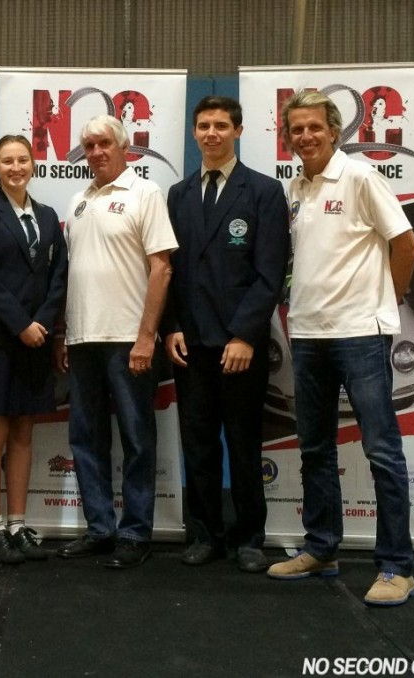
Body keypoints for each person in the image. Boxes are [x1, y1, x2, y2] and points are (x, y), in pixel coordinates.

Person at [266, 90, 414, 607]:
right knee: (314, 447)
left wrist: (389, 301)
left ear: (335, 131)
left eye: (314, 127)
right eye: (296, 130)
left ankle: (397, 567)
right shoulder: (296, 186)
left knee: (381, 450)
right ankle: (322, 548)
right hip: (308, 335)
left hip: (359, 333)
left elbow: (408, 243)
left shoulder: (359, 177)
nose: (305, 137)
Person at [163, 96, 289, 573]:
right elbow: (168, 269)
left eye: (220, 125)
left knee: (242, 440)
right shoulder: (177, 194)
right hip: (190, 343)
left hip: (239, 345)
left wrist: (244, 335)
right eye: (203, 126)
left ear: (238, 131)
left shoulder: (262, 192)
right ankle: (205, 534)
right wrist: (172, 326)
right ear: (194, 133)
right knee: (197, 442)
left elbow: (270, 273)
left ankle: (250, 536)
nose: (211, 133)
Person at [54, 115, 177, 569]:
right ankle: (100, 528)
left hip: (129, 340)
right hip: (83, 339)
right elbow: (75, 274)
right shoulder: (79, 200)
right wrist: (66, 333)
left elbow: (161, 268)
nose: (96, 152)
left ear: (124, 147)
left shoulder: (146, 194)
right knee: (86, 438)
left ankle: (135, 531)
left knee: (137, 439)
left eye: (104, 143)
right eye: (88, 145)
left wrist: (147, 337)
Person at [0, 135, 67, 564]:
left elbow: (59, 274)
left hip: (36, 340)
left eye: (23, 159)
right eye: (7, 160)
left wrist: (41, 323)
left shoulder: (47, 215)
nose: (16, 167)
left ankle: (18, 523)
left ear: (34, 164)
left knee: (25, 431)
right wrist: (20, 323)